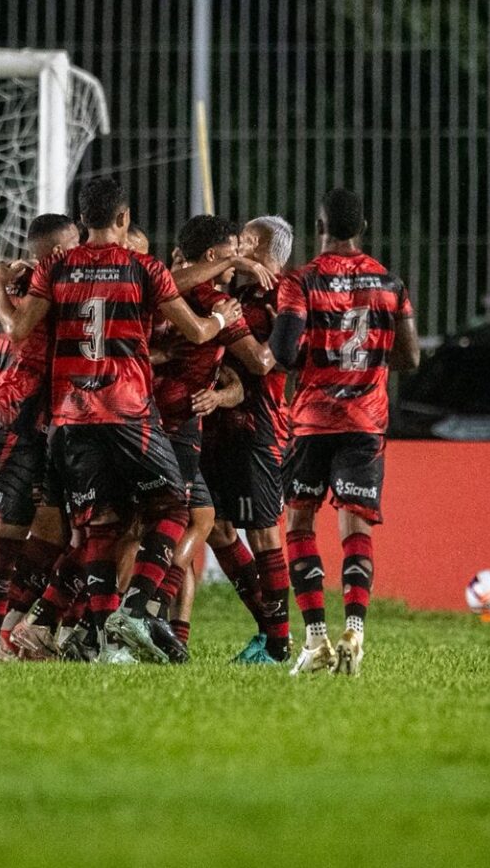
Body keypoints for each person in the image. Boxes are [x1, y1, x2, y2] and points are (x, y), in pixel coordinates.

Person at [0, 177, 242, 663]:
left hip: (70, 415)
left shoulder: (57, 266)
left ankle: (100, 639)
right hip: (127, 411)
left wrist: (2, 294)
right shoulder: (143, 266)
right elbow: (193, 330)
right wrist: (221, 321)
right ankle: (136, 606)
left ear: (83, 219)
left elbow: (18, 330)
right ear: (124, 219)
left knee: (101, 526)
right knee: (173, 507)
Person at [271, 187, 420, 676]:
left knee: (298, 523)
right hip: (366, 421)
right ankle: (354, 629)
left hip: (312, 420)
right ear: (363, 230)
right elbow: (411, 357)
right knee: (355, 528)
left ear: (320, 226)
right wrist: (374, 358)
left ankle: (315, 638)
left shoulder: (302, 281)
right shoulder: (390, 284)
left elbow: (287, 352)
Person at [147, 215, 274, 660]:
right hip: (173, 425)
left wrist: (222, 395)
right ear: (215, 256)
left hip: (179, 424)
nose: (242, 256)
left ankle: (169, 633)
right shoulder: (208, 298)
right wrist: (291, 330)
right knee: (186, 524)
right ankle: (142, 620)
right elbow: (257, 363)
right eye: (235, 248)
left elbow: (234, 377)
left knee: (208, 524)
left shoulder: (156, 286)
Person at [0, 213, 80, 659]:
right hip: (14, 423)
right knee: (10, 535)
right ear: (55, 251)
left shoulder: (27, 282)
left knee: (52, 532)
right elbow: (16, 328)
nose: (81, 252)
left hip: (26, 425)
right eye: (73, 245)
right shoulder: (37, 283)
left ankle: (4, 624)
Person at [200, 215, 297, 664]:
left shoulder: (285, 297)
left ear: (257, 244)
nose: (236, 244)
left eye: (243, 239)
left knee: (263, 534)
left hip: (259, 427)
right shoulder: (239, 293)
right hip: (220, 424)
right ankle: (269, 628)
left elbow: (265, 363)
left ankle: (278, 646)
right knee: (215, 525)